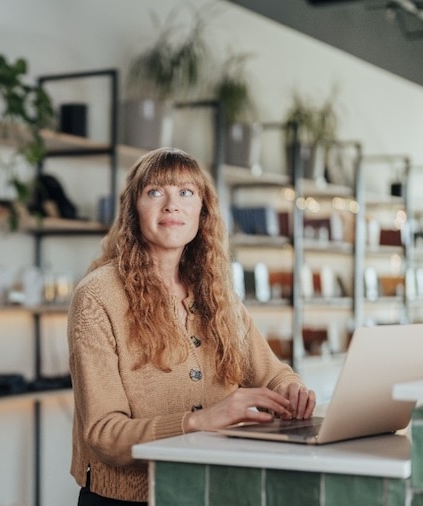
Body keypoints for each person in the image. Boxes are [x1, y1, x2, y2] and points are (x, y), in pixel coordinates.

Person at [67, 147, 316, 505]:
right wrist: (201, 420)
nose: (172, 205)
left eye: (186, 192)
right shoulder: (96, 297)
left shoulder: (216, 291)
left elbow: (273, 374)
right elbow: (104, 434)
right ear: (133, 209)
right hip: (128, 499)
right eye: (155, 192)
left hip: (212, 488)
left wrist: (292, 389)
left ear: (203, 210)